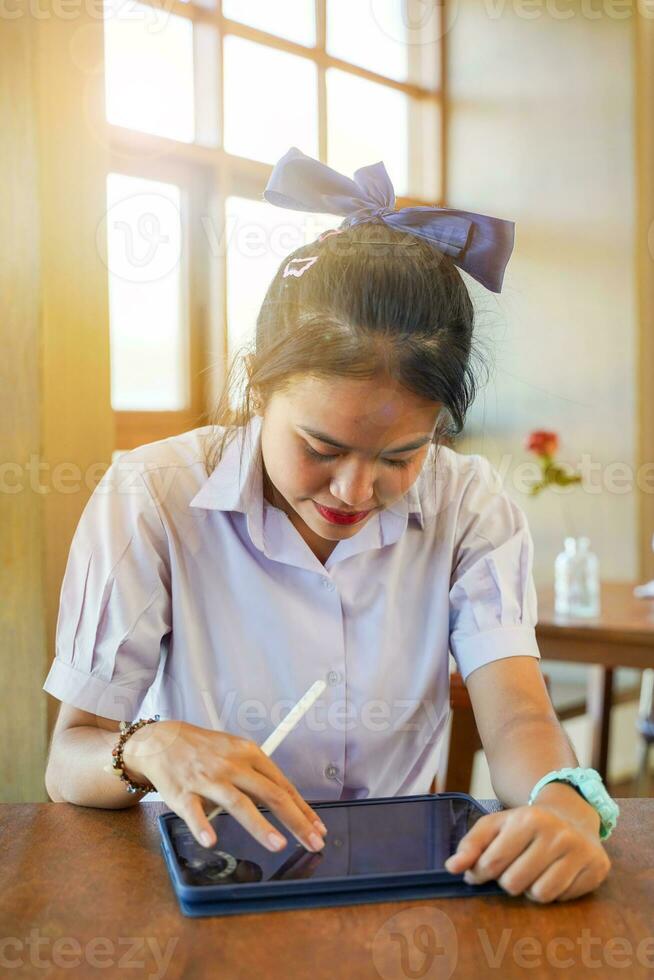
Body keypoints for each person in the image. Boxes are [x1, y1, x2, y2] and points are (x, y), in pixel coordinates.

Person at [44, 147, 617, 903]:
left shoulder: (468, 506)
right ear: (257, 385)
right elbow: (68, 759)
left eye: (401, 454)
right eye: (321, 447)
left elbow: (517, 717)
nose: (355, 489)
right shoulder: (150, 499)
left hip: (401, 887)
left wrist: (562, 804)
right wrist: (150, 746)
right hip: (211, 884)